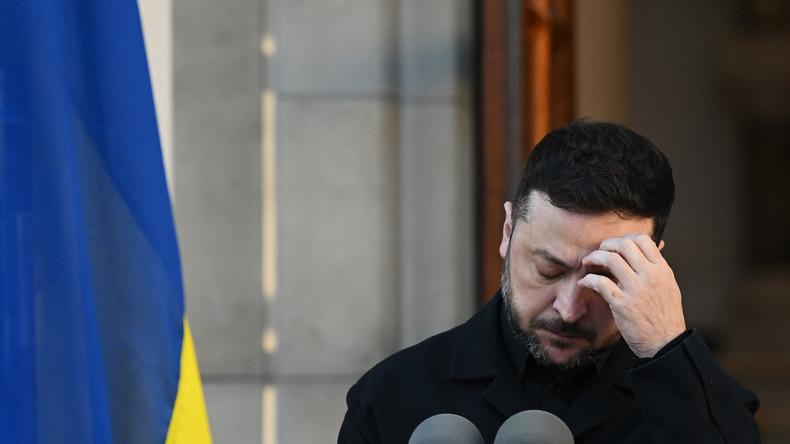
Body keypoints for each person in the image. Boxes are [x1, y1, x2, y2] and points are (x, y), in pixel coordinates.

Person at [337, 120, 760, 443]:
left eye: (603, 278)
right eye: (549, 271)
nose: (569, 310)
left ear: (652, 268)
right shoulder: (391, 397)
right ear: (508, 233)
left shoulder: (706, 406)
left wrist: (667, 350)